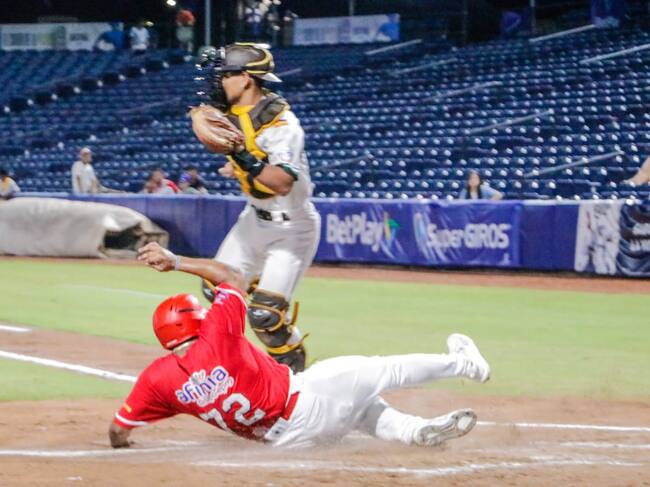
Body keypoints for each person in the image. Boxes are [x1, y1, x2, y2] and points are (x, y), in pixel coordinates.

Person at [109, 242, 490, 449]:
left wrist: (122, 443)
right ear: (193, 322)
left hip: (290, 443)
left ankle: (414, 432)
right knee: (383, 370)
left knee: (361, 409)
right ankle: (465, 364)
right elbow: (230, 275)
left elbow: (117, 430)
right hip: (306, 402)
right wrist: (175, 261)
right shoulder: (217, 333)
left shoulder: (157, 379)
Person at [190, 43, 321, 373]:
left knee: (265, 315)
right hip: (253, 220)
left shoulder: (282, 124)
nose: (219, 82)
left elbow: (282, 182)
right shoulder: (236, 115)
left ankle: (295, 376)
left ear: (246, 78)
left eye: (225, 75)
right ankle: (238, 367)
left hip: (291, 228)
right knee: (217, 288)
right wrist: (236, 165)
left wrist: (241, 158)